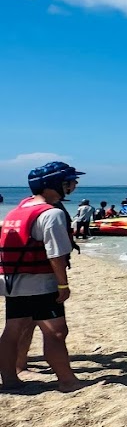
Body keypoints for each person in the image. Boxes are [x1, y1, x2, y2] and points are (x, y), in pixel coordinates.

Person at [0, 161, 84, 391]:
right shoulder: (52, 214)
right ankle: (68, 381)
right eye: (69, 182)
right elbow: (55, 254)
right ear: (53, 184)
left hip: (14, 281)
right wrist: (62, 284)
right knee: (56, 331)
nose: (73, 186)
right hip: (40, 283)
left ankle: (10, 379)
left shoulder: (20, 208)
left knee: (13, 329)